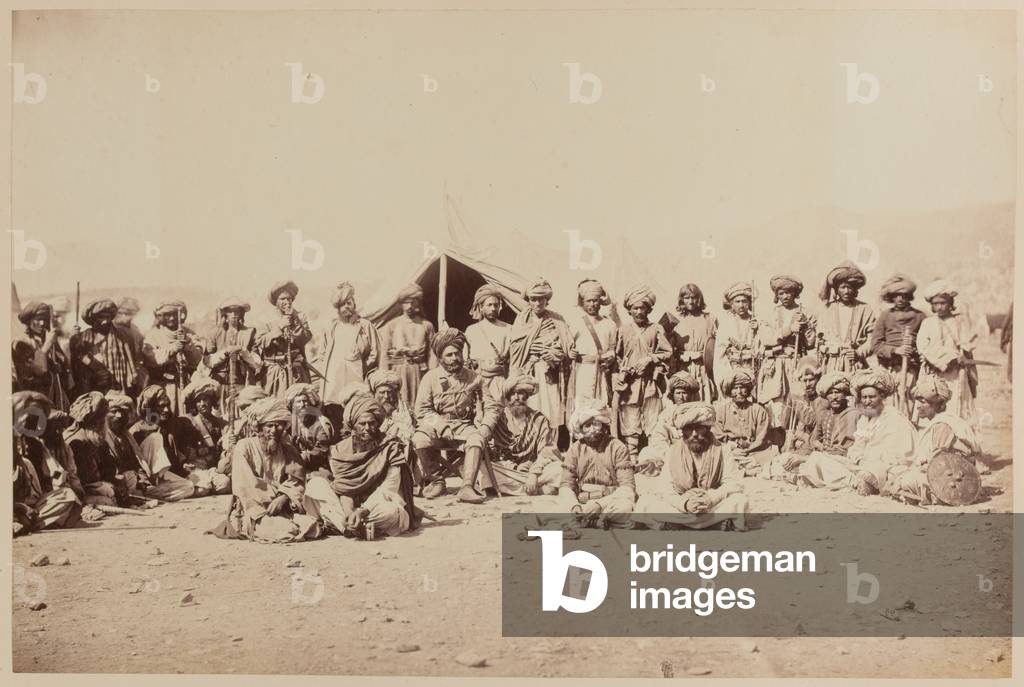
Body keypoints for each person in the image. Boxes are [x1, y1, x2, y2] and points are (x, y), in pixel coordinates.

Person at [305, 393, 417, 539]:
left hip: (375, 505)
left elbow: (389, 488)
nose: (367, 428)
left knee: (392, 511)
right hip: (347, 507)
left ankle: (345, 526)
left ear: (378, 423)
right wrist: (349, 512)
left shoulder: (390, 448)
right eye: (362, 424)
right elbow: (345, 489)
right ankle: (351, 526)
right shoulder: (339, 451)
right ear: (353, 425)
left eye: (372, 423)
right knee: (315, 485)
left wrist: (362, 511)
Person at [412, 328, 500, 503]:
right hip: (437, 428)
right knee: (419, 439)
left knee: (476, 439)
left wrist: (485, 427)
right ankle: (437, 480)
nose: (454, 358)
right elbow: (421, 410)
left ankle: (467, 487)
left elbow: (492, 407)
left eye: (457, 353)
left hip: (464, 426)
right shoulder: (430, 378)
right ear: (440, 358)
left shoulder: (475, 378)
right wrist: (441, 426)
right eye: (449, 355)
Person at [218, 400, 324, 543]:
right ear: (259, 427)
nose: (274, 431)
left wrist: (284, 497)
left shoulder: (288, 449)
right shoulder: (244, 447)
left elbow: (297, 481)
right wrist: (273, 498)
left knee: (313, 527)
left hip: (283, 508)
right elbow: (246, 486)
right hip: (255, 510)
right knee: (288, 531)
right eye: (269, 425)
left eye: (279, 425)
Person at [636, 402, 748, 530]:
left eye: (699, 428)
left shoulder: (722, 449)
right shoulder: (673, 451)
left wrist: (711, 499)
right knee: (646, 502)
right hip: (683, 504)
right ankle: (714, 524)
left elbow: (732, 483)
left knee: (740, 500)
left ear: (708, 428)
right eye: (689, 429)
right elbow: (666, 488)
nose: (694, 434)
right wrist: (685, 504)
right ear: (683, 431)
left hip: (710, 504)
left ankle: (677, 524)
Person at [800, 370, 915, 494]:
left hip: (883, 468)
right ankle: (855, 482)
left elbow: (902, 456)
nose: (867, 401)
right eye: (864, 397)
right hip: (861, 466)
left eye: (872, 397)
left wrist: (870, 459)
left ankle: (856, 483)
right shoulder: (865, 419)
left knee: (874, 470)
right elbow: (857, 448)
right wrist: (857, 457)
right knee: (817, 458)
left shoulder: (894, 418)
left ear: (881, 396)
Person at [882, 377, 982, 505]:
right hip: (944, 473)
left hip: (953, 481)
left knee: (904, 480)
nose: (918, 406)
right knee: (895, 470)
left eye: (923, 402)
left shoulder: (943, 425)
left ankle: (930, 496)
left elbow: (938, 463)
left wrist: (916, 468)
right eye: (917, 401)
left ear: (939, 405)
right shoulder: (941, 421)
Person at [479, 374, 563, 496]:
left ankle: (513, 489)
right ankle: (538, 490)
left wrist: (533, 473)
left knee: (558, 468)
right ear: (506, 396)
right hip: (508, 470)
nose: (516, 398)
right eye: (512, 394)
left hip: (534, 470)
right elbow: (492, 452)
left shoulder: (539, 420)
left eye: (520, 393)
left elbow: (547, 451)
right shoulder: (499, 419)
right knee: (482, 468)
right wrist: (513, 466)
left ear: (527, 395)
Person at [614, 285, 672, 463]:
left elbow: (667, 352)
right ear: (629, 310)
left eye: (642, 308)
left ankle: (654, 456)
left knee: (652, 419)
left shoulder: (656, 329)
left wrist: (650, 359)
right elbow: (617, 355)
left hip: (650, 383)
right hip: (630, 383)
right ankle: (632, 457)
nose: (639, 312)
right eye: (635, 308)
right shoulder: (623, 330)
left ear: (649, 309)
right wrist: (624, 369)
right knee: (630, 419)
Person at [766, 372, 858, 483]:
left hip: (839, 461)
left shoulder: (852, 414)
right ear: (826, 396)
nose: (834, 397)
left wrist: (804, 458)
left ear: (845, 394)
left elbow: (842, 451)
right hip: (821, 457)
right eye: (830, 393)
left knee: (816, 462)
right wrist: (799, 454)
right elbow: (813, 441)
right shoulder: (826, 415)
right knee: (784, 459)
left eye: (837, 392)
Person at [557, 399, 636, 528]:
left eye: (596, 424)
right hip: (582, 504)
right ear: (581, 429)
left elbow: (627, 487)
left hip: (609, 502)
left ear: (604, 426)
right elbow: (566, 485)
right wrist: (574, 506)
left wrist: (600, 504)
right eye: (587, 426)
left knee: (625, 506)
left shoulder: (618, 447)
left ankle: (592, 521)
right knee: (552, 506)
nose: (592, 429)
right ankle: (594, 521)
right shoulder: (575, 449)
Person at [13, 392, 83, 535]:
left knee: (67, 496)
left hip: (31, 503)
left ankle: (27, 520)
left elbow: (54, 472)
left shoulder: (34, 443)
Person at [508, 278, 574, 432]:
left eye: (541, 299)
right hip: (528, 373)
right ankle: (531, 443)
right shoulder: (522, 321)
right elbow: (516, 348)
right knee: (530, 409)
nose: (537, 303)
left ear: (547, 300)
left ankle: (550, 443)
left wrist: (555, 354)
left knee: (551, 410)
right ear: (528, 300)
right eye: (533, 299)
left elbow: (568, 348)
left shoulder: (557, 320)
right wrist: (532, 348)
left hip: (550, 373)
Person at [916, 280, 979, 427]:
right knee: (933, 404)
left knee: (956, 403)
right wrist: (945, 359)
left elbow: (968, 342)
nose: (939, 307)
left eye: (943, 303)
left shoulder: (960, 322)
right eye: (936, 303)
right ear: (932, 305)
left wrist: (961, 354)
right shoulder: (928, 323)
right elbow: (923, 347)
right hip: (933, 373)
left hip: (956, 374)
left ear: (950, 303)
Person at [758, 275, 816, 427]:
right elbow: (766, 338)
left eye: (788, 292)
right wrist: (789, 329)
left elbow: (810, 344)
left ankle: (797, 434)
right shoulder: (770, 314)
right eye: (781, 293)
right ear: (776, 295)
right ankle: (778, 434)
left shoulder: (805, 313)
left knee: (799, 398)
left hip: (796, 363)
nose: (785, 296)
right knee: (776, 403)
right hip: (775, 365)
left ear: (795, 293)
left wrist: (805, 327)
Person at [869, 274, 927, 417]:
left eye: (904, 295)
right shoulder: (885, 316)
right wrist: (895, 350)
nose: (900, 299)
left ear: (909, 296)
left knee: (909, 404)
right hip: (889, 369)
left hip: (911, 370)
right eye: (896, 296)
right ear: (892, 297)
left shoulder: (920, 316)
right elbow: (876, 345)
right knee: (888, 406)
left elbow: (926, 343)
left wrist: (913, 350)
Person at [130, 385, 199, 500]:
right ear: (150, 407)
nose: (166, 410)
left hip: (163, 477)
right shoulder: (137, 430)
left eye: (167, 405)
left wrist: (183, 465)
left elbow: (173, 457)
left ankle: (153, 493)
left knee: (191, 486)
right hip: (144, 479)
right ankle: (146, 491)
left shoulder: (167, 428)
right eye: (161, 406)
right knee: (155, 438)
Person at [317, 282, 382, 404]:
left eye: (349, 303)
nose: (346, 307)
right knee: (334, 407)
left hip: (356, 378)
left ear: (354, 304)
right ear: (338, 308)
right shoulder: (331, 328)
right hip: (333, 382)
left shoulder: (364, 326)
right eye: (343, 304)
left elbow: (376, 352)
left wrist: (363, 367)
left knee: (355, 404)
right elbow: (322, 355)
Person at [70, 298, 145, 398]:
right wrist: (74, 341)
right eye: (101, 317)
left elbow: (133, 362)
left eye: (108, 317)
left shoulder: (124, 336)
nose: (105, 321)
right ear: (93, 319)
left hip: (118, 389)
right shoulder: (82, 338)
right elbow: (76, 365)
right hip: (92, 389)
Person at [142, 300, 205, 415]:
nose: (171, 318)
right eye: (167, 315)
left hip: (184, 385)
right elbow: (151, 358)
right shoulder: (153, 335)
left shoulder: (189, 334)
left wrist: (187, 345)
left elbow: (198, 359)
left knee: (186, 417)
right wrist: (171, 350)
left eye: (174, 314)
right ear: (161, 317)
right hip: (162, 386)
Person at [202, 297, 262, 418]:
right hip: (220, 384)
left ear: (241, 314)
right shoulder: (215, 333)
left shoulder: (249, 332)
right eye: (230, 311)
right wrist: (225, 352)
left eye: (237, 311)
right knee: (221, 416)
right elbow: (207, 361)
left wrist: (243, 351)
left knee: (241, 416)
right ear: (225, 314)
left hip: (242, 383)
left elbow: (256, 362)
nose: (234, 314)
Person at [636, 371, 702, 476]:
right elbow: (659, 435)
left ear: (690, 395)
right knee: (646, 452)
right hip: (671, 451)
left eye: (684, 393)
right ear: (673, 395)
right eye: (678, 393)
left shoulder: (697, 411)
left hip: (692, 448)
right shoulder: (667, 413)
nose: (681, 397)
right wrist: (668, 452)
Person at [713, 370, 777, 476]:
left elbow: (761, 438)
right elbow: (717, 436)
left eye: (742, 387)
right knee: (719, 457)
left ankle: (745, 469)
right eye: (735, 388)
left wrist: (747, 450)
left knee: (773, 457)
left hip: (755, 451)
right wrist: (733, 447)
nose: (739, 391)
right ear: (729, 391)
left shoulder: (758, 410)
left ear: (748, 389)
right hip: (731, 451)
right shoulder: (721, 411)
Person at [817, 261, 876, 373]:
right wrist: (828, 349)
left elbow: (873, 339)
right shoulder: (827, 310)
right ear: (836, 289)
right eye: (843, 287)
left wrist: (859, 353)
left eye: (850, 287)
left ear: (855, 289)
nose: (847, 291)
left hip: (855, 364)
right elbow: (820, 340)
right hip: (831, 364)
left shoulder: (865, 309)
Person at [383, 284, 436, 407]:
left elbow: (432, 354)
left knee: (420, 404)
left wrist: (432, 376)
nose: (409, 306)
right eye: (406, 303)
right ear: (401, 304)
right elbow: (385, 356)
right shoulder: (392, 325)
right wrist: (385, 378)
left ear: (418, 303)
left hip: (420, 372)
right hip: (397, 371)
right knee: (399, 405)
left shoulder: (427, 325)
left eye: (413, 302)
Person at [568, 279, 618, 411]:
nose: (592, 304)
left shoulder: (610, 325)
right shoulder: (576, 323)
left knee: (600, 407)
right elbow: (568, 346)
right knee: (581, 407)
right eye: (588, 301)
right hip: (581, 371)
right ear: (582, 302)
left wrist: (610, 357)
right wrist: (570, 353)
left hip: (601, 372)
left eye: (595, 301)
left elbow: (613, 348)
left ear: (600, 302)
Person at [258, 281, 313, 399]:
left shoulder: (300, 316)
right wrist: (279, 327)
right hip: (275, 372)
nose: (287, 302)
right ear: (276, 301)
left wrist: (295, 321)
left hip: (297, 371)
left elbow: (306, 338)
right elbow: (261, 342)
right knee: (277, 404)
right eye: (282, 299)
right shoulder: (265, 319)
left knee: (300, 402)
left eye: (289, 299)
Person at [64, 391, 120, 507]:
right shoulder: (77, 442)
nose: (102, 423)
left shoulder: (97, 438)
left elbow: (108, 471)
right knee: (108, 500)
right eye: (99, 419)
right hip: (80, 493)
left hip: (97, 486)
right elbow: (79, 481)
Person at [13, 301, 72, 410]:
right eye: (38, 319)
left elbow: (63, 364)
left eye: (44, 320)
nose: (41, 323)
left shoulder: (47, 339)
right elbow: (40, 370)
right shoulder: (21, 344)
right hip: (33, 400)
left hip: (55, 397)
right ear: (28, 321)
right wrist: (47, 345)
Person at [664, 283, 718, 401]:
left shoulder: (709, 318)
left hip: (703, 367)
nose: (690, 301)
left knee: (703, 399)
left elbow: (715, 344)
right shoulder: (675, 319)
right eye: (686, 298)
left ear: (699, 299)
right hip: (683, 368)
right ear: (681, 299)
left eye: (693, 297)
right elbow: (666, 346)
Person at [180, 378, 231, 496]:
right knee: (203, 489)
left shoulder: (220, 423)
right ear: (194, 404)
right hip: (195, 469)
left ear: (211, 400)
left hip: (212, 469)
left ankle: (207, 486)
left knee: (226, 484)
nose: (202, 404)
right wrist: (183, 464)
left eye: (205, 399)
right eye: (198, 400)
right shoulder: (188, 422)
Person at [713, 282, 761, 396]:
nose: (741, 305)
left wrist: (758, 330)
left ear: (749, 303)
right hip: (732, 369)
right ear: (731, 304)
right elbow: (719, 354)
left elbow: (762, 347)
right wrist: (725, 376)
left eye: (744, 301)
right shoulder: (726, 324)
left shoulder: (757, 321)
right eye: (737, 301)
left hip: (752, 369)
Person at [286, 382, 336, 478]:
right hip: (297, 463)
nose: (302, 405)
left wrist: (301, 458)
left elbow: (321, 451)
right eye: (298, 402)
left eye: (305, 401)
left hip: (319, 465)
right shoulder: (291, 423)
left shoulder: (321, 423)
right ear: (292, 405)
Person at [464, 284, 511, 382]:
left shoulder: (508, 328)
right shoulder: (471, 330)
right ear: (481, 307)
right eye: (489, 305)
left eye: (496, 305)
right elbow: (465, 357)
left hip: (500, 379)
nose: (493, 308)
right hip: (476, 379)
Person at [218, 385, 269, 474]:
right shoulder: (239, 425)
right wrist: (233, 443)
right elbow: (225, 464)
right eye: (242, 409)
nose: (245, 412)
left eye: (247, 407)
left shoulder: (271, 422)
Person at [367, 369, 416, 446]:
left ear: (396, 393)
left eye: (389, 392)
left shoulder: (406, 414)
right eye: (382, 392)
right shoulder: (368, 415)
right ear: (374, 394)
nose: (386, 396)